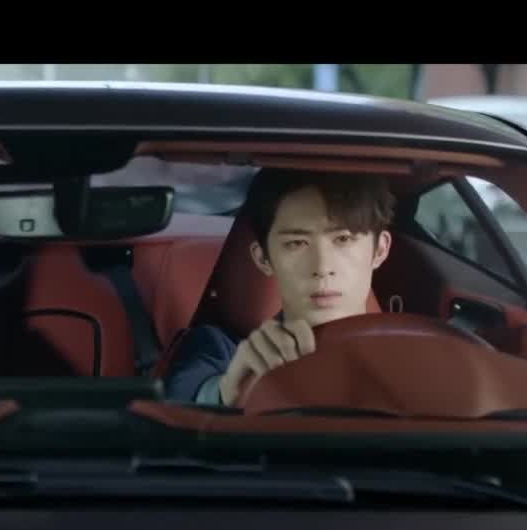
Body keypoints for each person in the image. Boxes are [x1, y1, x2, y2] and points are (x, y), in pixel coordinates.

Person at [163, 168, 396, 407]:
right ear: (263, 259)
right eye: (296, 243)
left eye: (343, 239)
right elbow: (180, 402)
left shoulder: (409, 353)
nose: (322, 267)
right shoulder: (222, 351)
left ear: (379, 250)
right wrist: (227, 391)